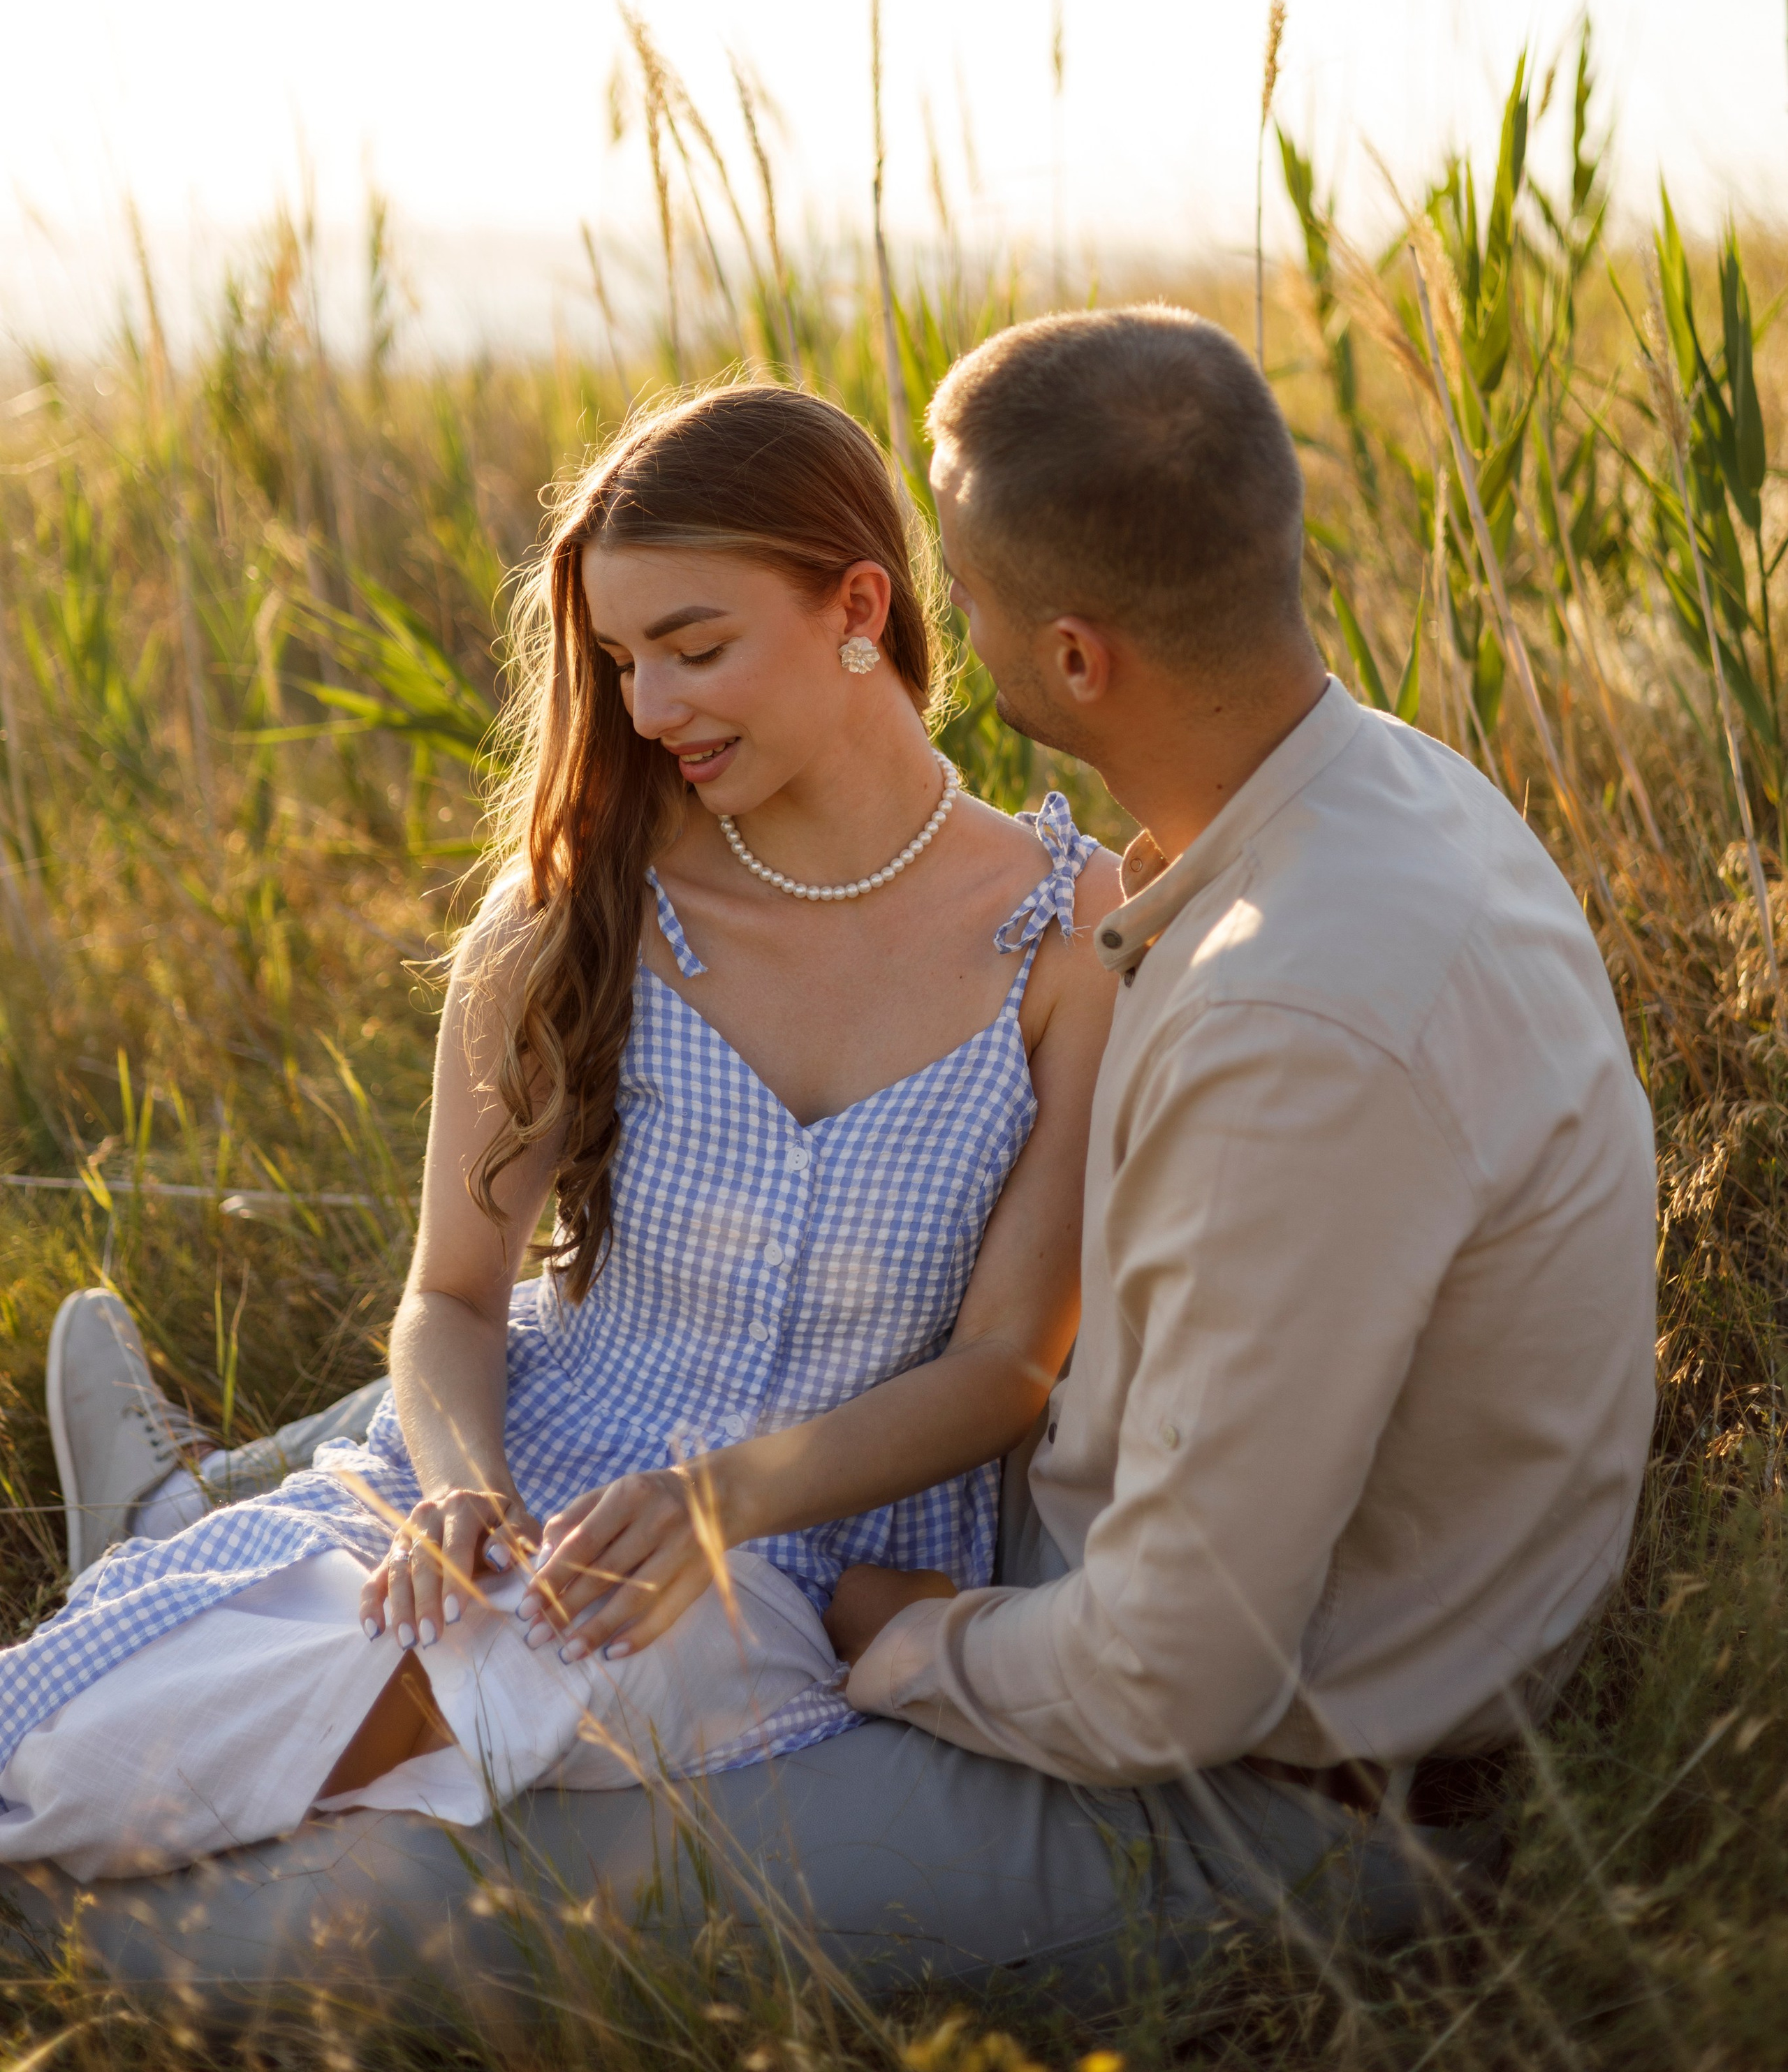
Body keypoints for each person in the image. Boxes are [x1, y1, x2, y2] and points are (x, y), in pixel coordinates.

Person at [3, 309, 1656, 2029]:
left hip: (1220, 1761)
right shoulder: (1380, 816)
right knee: (527, 1415)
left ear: (1053, 650)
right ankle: (183, 1529)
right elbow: (469, 1292)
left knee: (395, 1901)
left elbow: (1142, 1613)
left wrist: (893, 1621)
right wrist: (503, 1478)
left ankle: (78, 1868)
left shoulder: (1231, 995)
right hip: (855, 1533)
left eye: (962, 577)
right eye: (623, 659)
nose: (943, 604)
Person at [0, 382, 1118, 1877]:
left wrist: (717, 1502)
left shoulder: (1067, 923)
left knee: (415, 1697)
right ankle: (157, 1598)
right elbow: (454, 1294)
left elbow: (1006, 1365)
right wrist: (464, 1485)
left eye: (694, 648)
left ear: (858, 603)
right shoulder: (577, 909)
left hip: (802, 1544)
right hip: (518, 1482)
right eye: (618, 659)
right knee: (95, 1713)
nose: (648, 710)